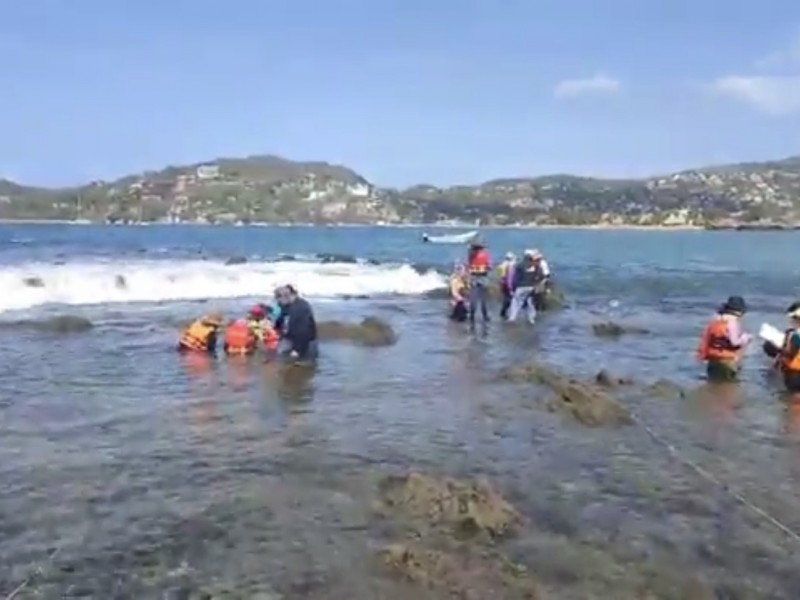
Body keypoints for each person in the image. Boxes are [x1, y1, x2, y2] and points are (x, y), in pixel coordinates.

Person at [696, 296, 751, 382]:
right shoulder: (732, 322)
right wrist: (746, 338)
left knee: (713, 383)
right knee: (728, 386)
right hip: (727, 360)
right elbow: (734, 342)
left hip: (713, 359)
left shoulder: (716, 320)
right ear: (740, 311)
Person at [278, 285, 319, 360]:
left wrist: (297, 350)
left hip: (305, 342)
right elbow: (281, 322)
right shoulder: (288, 306)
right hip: (293, 339)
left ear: (287, 296)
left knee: (303, 365)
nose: (277, 300)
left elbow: (303, 331)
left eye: (278, 297)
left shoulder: (300, 308)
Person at [507, 250, 539, 324]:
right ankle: (531, 319)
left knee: (515, 302)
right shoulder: (533, 265)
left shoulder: (520, 265)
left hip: (521, 286)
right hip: (531, 287)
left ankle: (512, 318)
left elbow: (515, 278)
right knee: (530, 302)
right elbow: (536, 276)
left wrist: (512, 287)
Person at [466, 239, 491, 324]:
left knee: (473, 299)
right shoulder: (485, 255)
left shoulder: (471, 255)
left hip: (474, 277)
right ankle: (485, 316)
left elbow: (469, 267)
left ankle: (472, 316)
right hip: (483, 277)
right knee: (484, 299)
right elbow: (489, 266)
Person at [778, 302, 800, 393]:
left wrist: (780, 349)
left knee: (794, 400)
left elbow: (790, 353)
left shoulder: (796, 335)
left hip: (795, 374)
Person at [497, 252, 516, 319]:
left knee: (506, 298)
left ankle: (503, 312)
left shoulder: (502, 265)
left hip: (503, 283)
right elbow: (510, 277)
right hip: (507, 284)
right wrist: (510, 287)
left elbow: (500, 274)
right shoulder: (510, 265)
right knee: (509, 299)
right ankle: (504, 313)